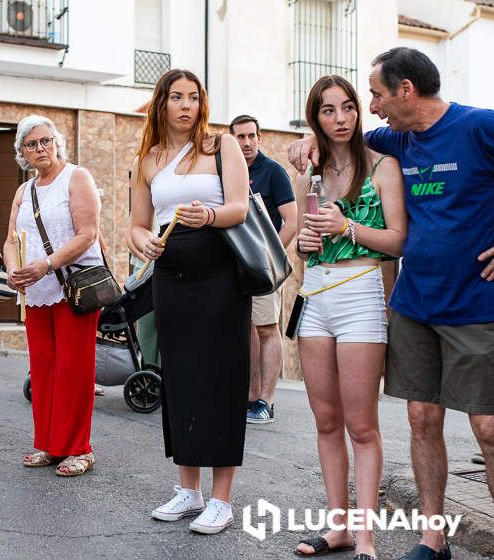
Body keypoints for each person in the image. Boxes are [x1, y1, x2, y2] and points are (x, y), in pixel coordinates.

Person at [288, 47, 494, 560]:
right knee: (423, 420)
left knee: (488, 428)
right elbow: (338, 137)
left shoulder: (479, 127)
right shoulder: (391, 140)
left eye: (376, 95)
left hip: (479, 304)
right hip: (415, 305)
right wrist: (305, 140)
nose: (371, 107)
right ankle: (433, 539)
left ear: (406, 90)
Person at [127, 69, 250, 534]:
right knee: (179, 378)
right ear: (161, 103)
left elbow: (239, 205)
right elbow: (137, 223)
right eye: (175, 97)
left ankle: (223, 498)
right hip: (170, 278)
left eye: (192, 97)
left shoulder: (222, 146)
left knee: (220, 378)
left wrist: (210, 214)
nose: (184, 105)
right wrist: (142, 242)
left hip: (220, 278)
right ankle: (188, 490)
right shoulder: (148, 157)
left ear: (203, 103)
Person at [292, 75, 406, 560]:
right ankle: (337, 528)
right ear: (315, 117)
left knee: (362, 425)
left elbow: (398, 241)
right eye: (328, 111)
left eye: (347, 108)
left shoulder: (383, 167)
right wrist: (304, 242)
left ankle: (365, 537)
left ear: (359, 112)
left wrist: (349, 227)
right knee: (325, 420)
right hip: (316, 295)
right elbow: (300, 242)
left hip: (361, 295)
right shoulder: (309, 176)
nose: (340, 119)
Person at [3, 115, 102, 477]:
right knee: (43, 369)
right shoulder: (23, 191)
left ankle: (79, 448)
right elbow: (10, 238)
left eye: (46, 141)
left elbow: (87, 233)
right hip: (36, 291)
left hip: (73, 286)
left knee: (74, 369)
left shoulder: (77, 178)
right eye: (32, 144)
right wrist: (13, 268)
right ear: (22, 153)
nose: (40, 149)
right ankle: (48, 443)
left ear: (57, 142)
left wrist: (45, 265)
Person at [229, 114, 297, 424]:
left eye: (250, 136)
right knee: (244, 331)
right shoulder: (227, 171)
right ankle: (249, 396)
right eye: (239, 137)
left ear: (259, 138)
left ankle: (266, 401)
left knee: (267, 329)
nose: (245, 142)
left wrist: (268, 258)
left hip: (264, 269)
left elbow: (292, 221)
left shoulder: (273, 172)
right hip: (234, 267)